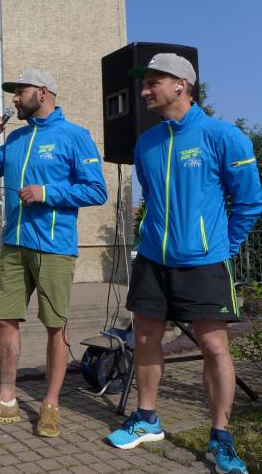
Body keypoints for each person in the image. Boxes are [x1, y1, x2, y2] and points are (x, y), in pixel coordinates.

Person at [105, 53, 262, 474]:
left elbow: (249, 201)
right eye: (144, 83)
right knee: (144, 339)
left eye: (152, 82)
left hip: (205, 262)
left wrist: (223, 246)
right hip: (153, 259)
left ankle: (221, 438)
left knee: (213, 346)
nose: (144, 91)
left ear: (181, 85)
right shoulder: (146, 143)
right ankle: (147, 419)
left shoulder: (222, 135)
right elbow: (152, 199)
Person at [0, 69, 107, 437]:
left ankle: (50, 404)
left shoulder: (75, 136)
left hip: (54, 246)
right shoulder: (15, 138)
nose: (13, 99)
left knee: (55, 326)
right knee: (5, 320)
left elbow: (97, 190)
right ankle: (7, 400)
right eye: (12, 93)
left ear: (43, 93)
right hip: (14, 243)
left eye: (20, 91)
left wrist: (47, 193)